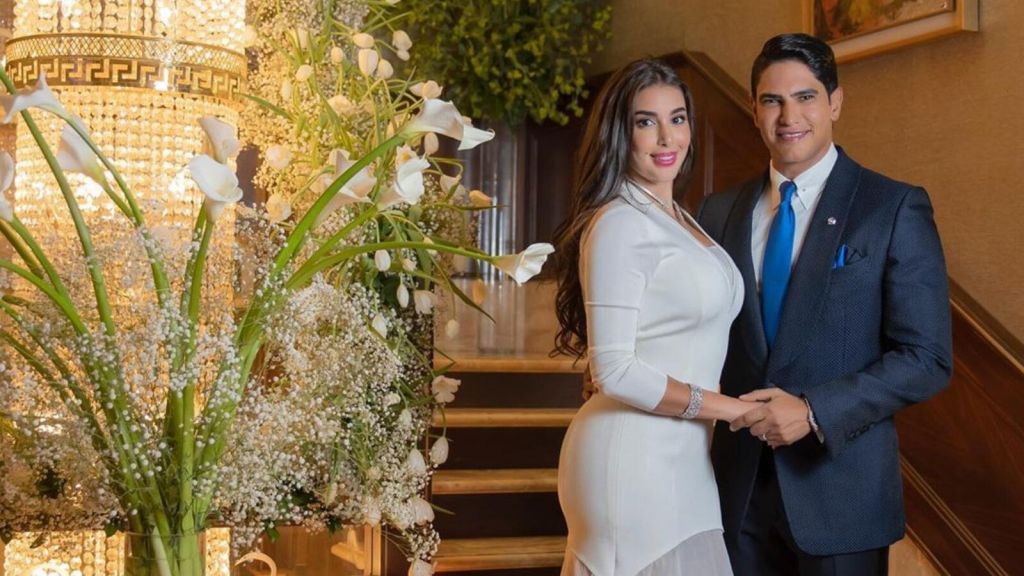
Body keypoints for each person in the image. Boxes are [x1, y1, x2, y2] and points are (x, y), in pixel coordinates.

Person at [697, 33, 953, 575]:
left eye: (806, 97)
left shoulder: (892, 207)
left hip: (841, 494)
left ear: (835, 102)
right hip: (735, 495)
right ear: (754, 109)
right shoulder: (717, 212)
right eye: (772, 100)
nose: (789, 116)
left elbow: (927, 358)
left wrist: (815, 411)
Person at [551, 58, 757, 576]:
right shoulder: (620, 222)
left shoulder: (677, 216)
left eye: (678, 118)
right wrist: (729, 410)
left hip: (683, 458)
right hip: (632, 460)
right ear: (620, 134)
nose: (667, 137)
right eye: (646, 122)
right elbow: (614, 370)